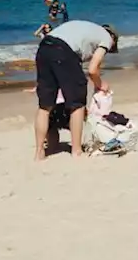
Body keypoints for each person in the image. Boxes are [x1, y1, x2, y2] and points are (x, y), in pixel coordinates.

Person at [33, 21, 118, 161]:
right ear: (113, 39)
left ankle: (39, 152)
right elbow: (92, 70)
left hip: (44, 48)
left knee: (45, 105)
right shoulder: (107, 39)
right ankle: (76, 150)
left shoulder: (87, 29)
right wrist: (101, 84)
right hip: (63, 51)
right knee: (77, 103)